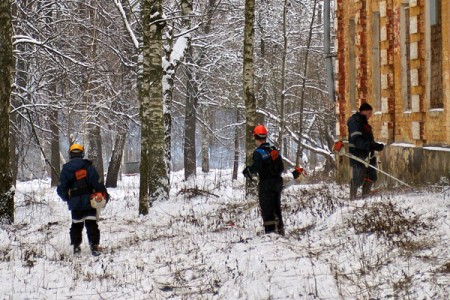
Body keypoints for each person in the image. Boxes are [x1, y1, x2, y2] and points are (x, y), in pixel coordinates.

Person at [57, 144, 109, 256]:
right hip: (89, 201)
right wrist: (105, 196)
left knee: (76, 224)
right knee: (91, 223)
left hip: (75, 203)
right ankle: (94, 246)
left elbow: (61, 189)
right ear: (82, 153)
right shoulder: (88, 166)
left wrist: (67, 198)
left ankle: (76, 247)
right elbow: (97, 182)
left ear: (70, 154)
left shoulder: (66, 169)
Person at [243, 125, 285, 235]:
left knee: (267, 208)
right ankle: (280, 229)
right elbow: (281, 167)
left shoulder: (259, 152)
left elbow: (256, 168)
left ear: (256, 137)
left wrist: (248, 171)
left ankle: (270, 233)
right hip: (277, 183)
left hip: (266, 184)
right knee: (276, 206)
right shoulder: (273, 150)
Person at [347, 103, 384, 199]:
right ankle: (353, 198)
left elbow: (368, 139)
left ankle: (366, 197)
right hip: (358, 155)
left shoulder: (365, 123)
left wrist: (375, 146)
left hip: (369, 155)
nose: (370, 115)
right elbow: (357, 140)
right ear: (364, 111)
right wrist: (370, 145)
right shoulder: (355, 122)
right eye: (369, 113)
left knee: (372, 176)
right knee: (358, 178)